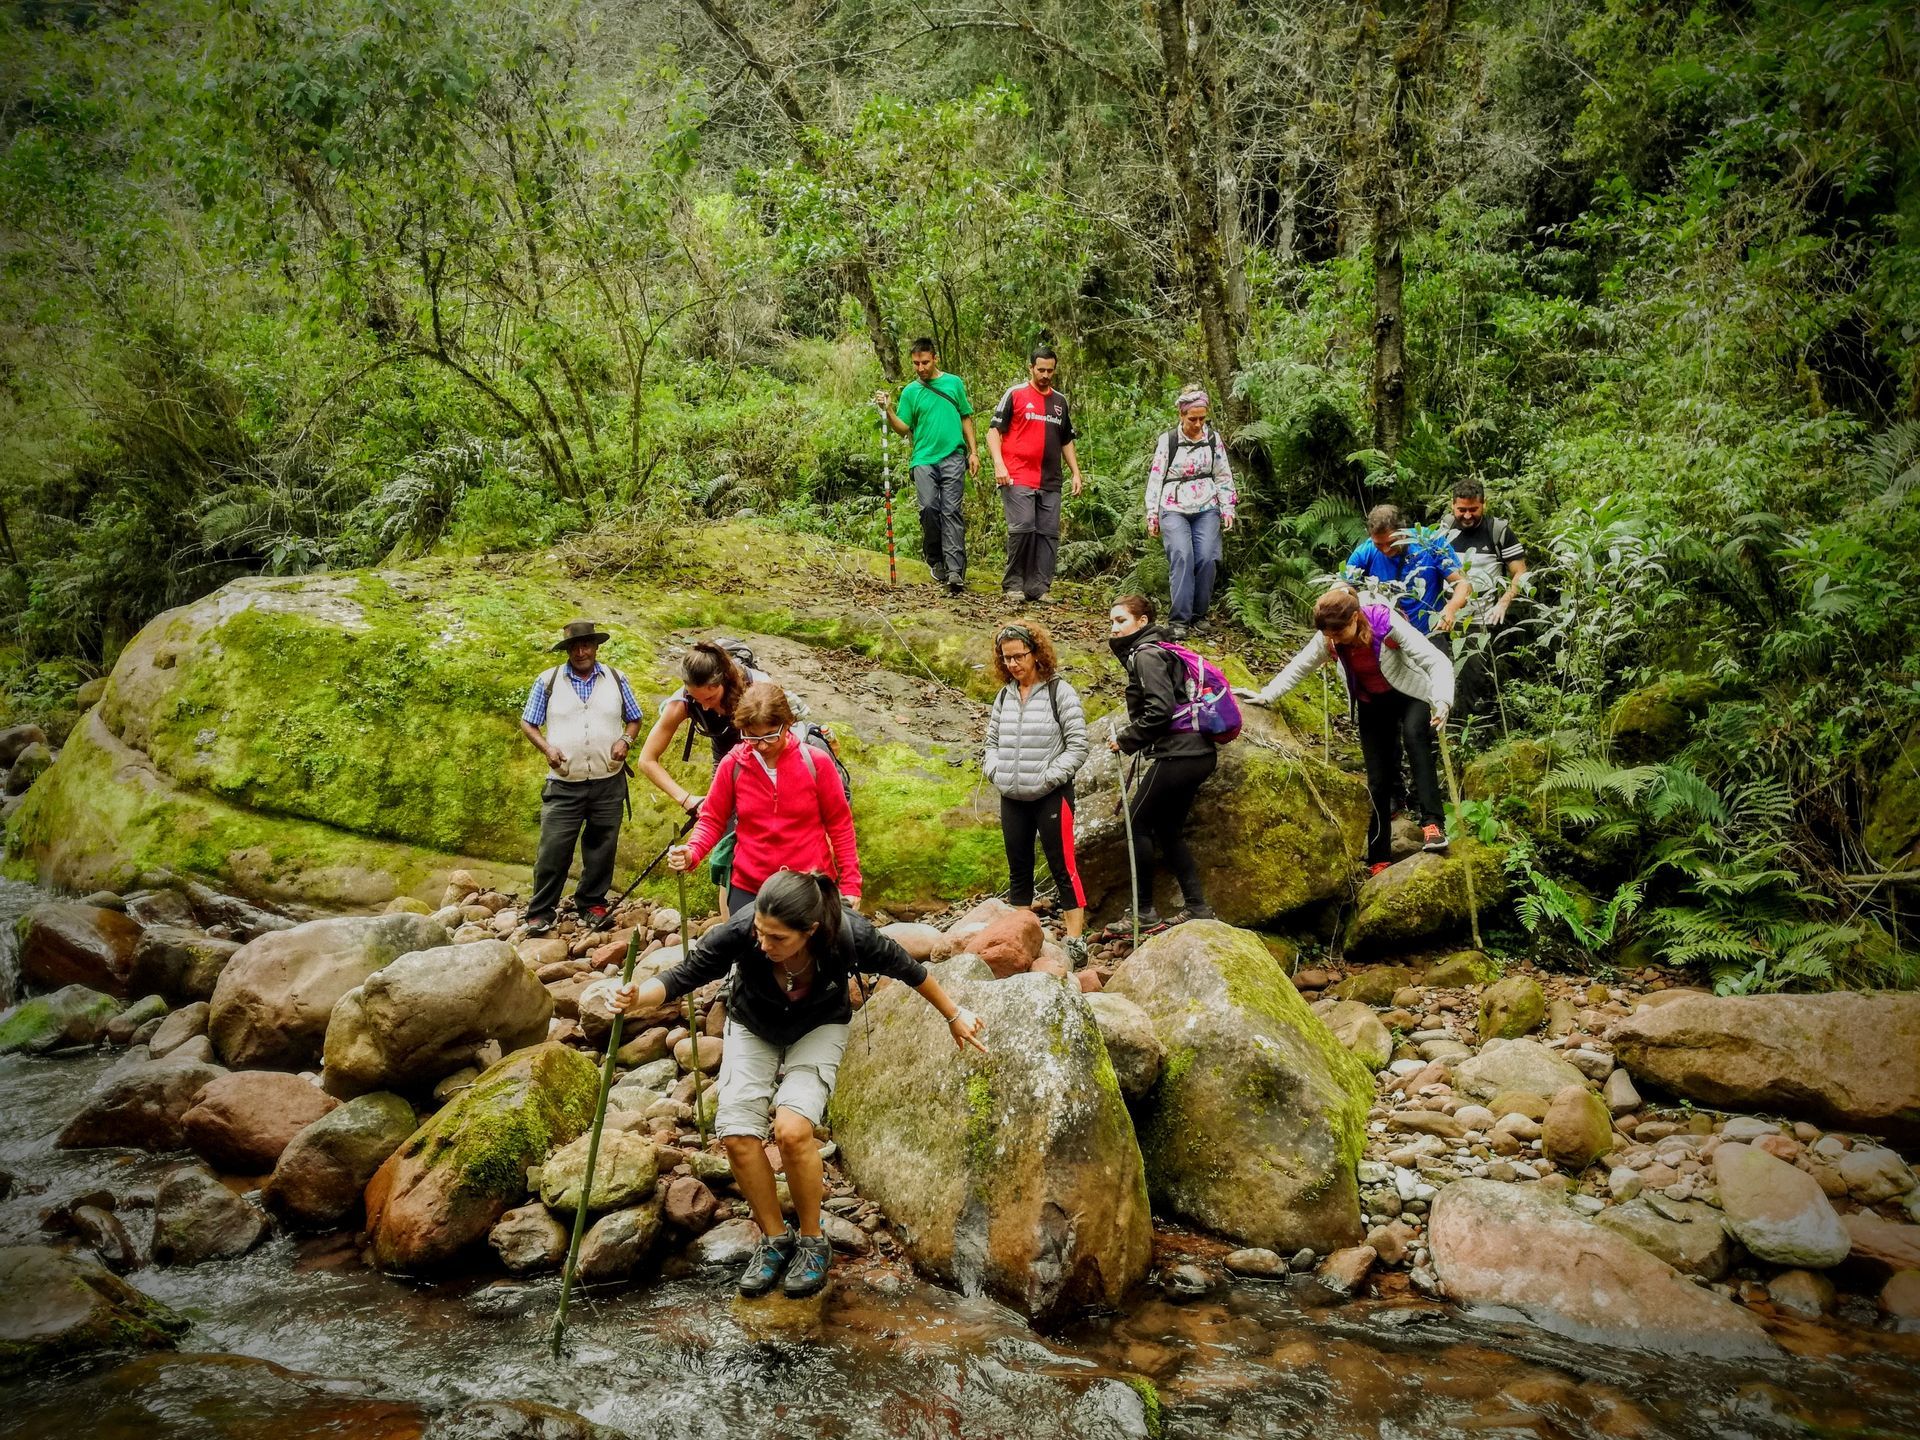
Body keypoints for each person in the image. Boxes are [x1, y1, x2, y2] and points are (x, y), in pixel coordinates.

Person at [612, 868, 987, 1298]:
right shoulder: (742, 931)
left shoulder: (850, 936)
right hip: (753, 1023)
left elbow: (911, 970)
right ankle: (774, 1239)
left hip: (819, 1025)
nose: (763, 944)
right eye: (760, 933)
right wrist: (636, 997)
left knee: (792, 1130)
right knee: (736, 1133)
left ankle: (812, 1240)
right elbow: (684, 975)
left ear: (810, 931)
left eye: (777, 939)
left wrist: (955, 1016)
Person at [1244, 586, 1454, 872]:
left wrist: (1442, 699)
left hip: (1410, 693)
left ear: (1355, 618)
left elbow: (1435, 660)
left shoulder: (1385, 623)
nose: (1332, 640)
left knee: (1415, 738)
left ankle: (1432, 824)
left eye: (1337, 633)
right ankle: (1379, 855)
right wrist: (1266, 694)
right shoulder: (1329, 637)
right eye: (1328, 635)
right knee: (1377, 778)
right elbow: (1300, 666)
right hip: (1371, 700)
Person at [667, 682, 860, 916]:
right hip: (750, 886)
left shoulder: (816, 763)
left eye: (770, 735)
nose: (761, 745)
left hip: (809, 886)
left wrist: (851, 884)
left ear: (788, 724)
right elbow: (712, 819)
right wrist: (692, 851)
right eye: (751, 736)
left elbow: (840, 824)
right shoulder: (733, 765)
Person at [518, 619, 644, 936]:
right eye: (575, 646)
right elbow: (528, 723)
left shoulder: (616, 678)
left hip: (609, 781)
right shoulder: (548, 681)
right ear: (568, 650)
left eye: (586, 645)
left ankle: (591, 903)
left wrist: (625, 742)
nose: (581, 651)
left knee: (602, 846)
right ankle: (541, 911)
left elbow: (635, 718)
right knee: (553, 849)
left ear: (596, 647)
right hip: (563, 783)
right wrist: (547, 749)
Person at [1103, 595, 1216, 936]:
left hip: (1179, 755)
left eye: (1121, 620)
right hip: (1198, 754)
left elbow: (1160, 709)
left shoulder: (1147, 654)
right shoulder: (1160, 649)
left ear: (1142, 621)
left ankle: (1143, 911)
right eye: (1112, 621)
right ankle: (1197, 907)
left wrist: (1126, 739)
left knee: (1136, 823)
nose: (1114, 628)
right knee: (1167, 829)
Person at [633, 639, 773, 915]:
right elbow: (647, 760)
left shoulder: (758, 688)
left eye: (709, 698)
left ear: (724, 681)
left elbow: (786, 739)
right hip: (726, 771)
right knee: (730, 857)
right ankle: (732, 930)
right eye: (697, 700)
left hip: (767, 768)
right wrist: (686, 799)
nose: (705, 708)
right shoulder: (682, 702)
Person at [983, 621, 1091, 965]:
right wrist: (995, 772)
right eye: (1007, 658)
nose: (1013, 664)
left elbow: (1078, 746)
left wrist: (1048, 778)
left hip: (1050, 795)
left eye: (1019, 656)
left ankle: (1076, 941)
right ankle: (1021, 935)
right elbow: (991, 743)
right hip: (1012, 795)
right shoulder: (1005, 695)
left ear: (1036, 653)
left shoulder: (1061, 692)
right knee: (1019, 866)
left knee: (1063, 866)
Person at [875, 339, 978, 596]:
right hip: (923, 459)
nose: (920, 368)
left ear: (935, 358)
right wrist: (887, 410)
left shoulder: (954, 383)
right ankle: (935, 558)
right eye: (916, 364)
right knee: (930, 508)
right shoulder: (911, 391)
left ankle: (955, 570)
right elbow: (903, 429)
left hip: (954, 455)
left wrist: (973, 451)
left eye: (925, 362)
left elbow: (966, 417)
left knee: (951, 510)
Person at [988, 344, 1084, 606]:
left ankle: (1038, 587)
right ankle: (1014, 583)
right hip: (1017, 474)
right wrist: (999, 464)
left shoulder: (1060, 401)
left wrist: (1075, 472)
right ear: (1031, 368)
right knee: (1023, 527)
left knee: (1048, 533)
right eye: (1040, 369)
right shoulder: (1016, 394)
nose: (1045, 375)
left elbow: (1066, 440)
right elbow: (993, 431)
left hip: (1050, 479)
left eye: (1049, 370)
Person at [1144, 387, 1237, 640]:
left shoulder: (1213, 440)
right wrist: (1152, 514)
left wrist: (1228, 507)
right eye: (1192, 419)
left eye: (1202, 419)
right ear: (1181, 415)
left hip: (1207, 505)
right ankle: (1179, 620)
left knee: (1208, 557)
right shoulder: (1169, 440)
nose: (1197, 424)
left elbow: (1223, 474)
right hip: (1173, 506)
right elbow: (1156, 478)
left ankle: (1199, 615)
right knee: (1182, 556)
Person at [1440, 477, 1530, 730]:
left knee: (1472, 681)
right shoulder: (1444, 530)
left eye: (1473, 510)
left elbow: (1520, 573)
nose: (1467, 515)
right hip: (1444, 617)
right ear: (1452, 506)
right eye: (1461, 510)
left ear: (1483, 505)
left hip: (1478, 621)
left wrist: (1503, 603)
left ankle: (1471, 736)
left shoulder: (1497, 531)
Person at [1344, 503, 1472, 638]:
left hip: (1430, 634)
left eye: (1391, 542)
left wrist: (1450, 609)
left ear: (1404, 532)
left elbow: (1463, 584)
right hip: (1387, 639)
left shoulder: (1429, 541)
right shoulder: (1366, 551)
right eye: (1379, 544)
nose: (1386, 549)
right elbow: (1341, 586)